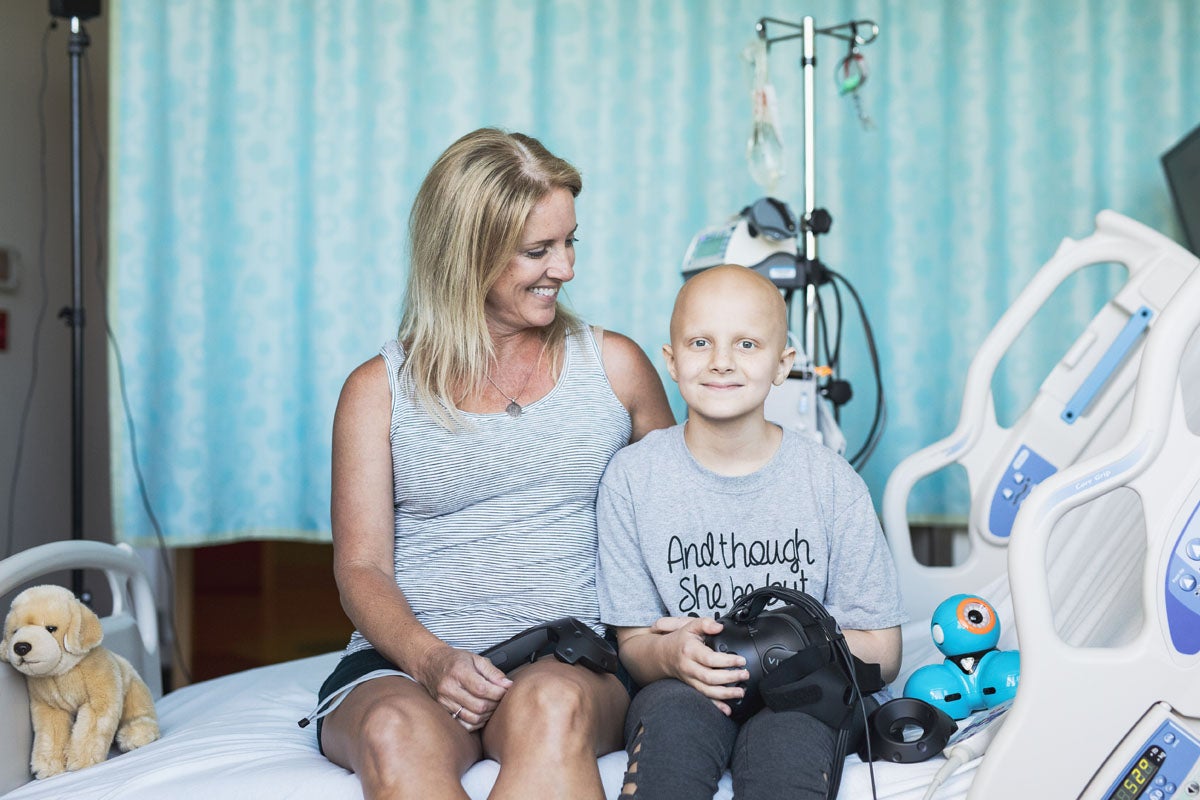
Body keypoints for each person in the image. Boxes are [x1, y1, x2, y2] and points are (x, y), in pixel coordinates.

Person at [311, 127, 676, 800]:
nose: (564, 269)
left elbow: (674, 522)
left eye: (570, 243)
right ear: (466, 255)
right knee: (392, 730)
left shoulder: (615, 368)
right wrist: (432, 660)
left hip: (566, 661)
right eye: (538, 250)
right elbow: (361, 568)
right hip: (405, 661)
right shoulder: (376, 391)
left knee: (551, 710)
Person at [595, 264, 907, 800]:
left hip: (807, 694)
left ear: (783, 363)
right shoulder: (633, 479)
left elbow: (884, 649)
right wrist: (671, 656)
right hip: (685, 691)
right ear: (670, 361)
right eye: (700, 342)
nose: (721, 362)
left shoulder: (831, 483)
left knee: (787, 752)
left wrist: (786, 652)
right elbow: (633, 642)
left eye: (746, 343)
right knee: (670, 736)